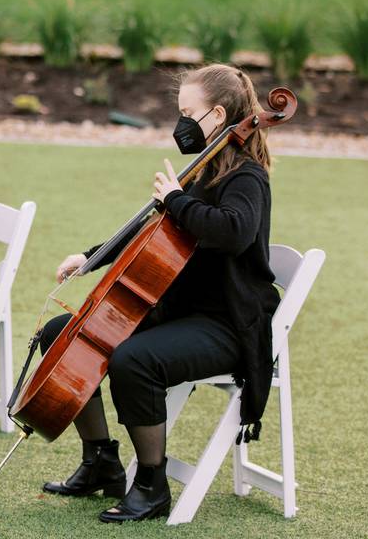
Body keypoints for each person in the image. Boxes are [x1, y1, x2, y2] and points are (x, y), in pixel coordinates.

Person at [39, 63, 280, 522]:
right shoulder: (200, 170)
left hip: (226, 323)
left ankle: (151, 485)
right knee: (62, 333)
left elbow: (233, 233)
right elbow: (151, 236)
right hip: (178, 310)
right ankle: (100, 460)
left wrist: (176, 199)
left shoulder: (246, 176)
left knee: (136, 360)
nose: (181, 123)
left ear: (218, 114)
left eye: (188, 112)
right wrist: (92, 257)